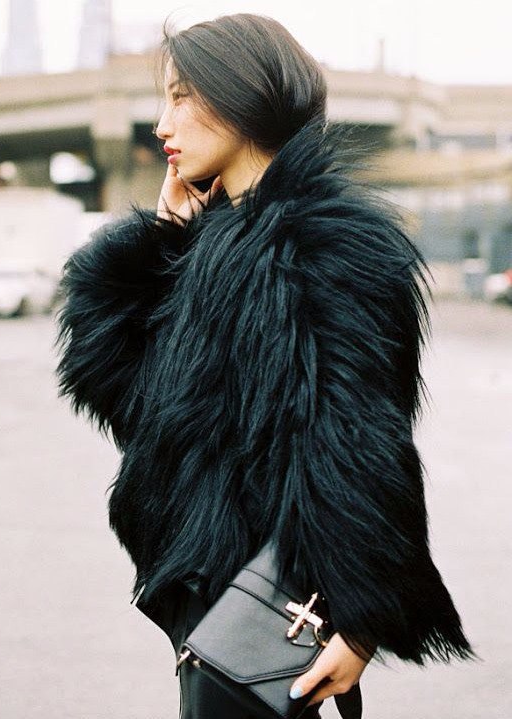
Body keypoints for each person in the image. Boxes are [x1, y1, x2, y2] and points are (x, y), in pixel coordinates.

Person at [54, 12, 476, 718]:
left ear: (242, 97)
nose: (162, 123)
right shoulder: (208, 249)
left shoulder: (329, 247)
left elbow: (359, 443)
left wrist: (361, 619)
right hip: (208, 599)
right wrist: (161, 242)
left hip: (274, 610)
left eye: (182, 97)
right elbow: (132, 403)